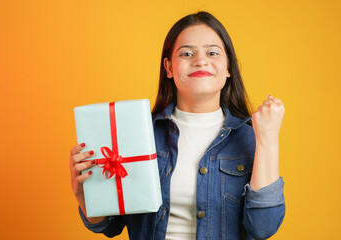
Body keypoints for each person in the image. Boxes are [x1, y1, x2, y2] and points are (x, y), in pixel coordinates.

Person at [69, 11, 286, 239]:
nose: (200, 60)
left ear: (229, 67)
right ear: (169, 68)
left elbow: (263, 228)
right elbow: (110, 226)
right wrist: (85, 195)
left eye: (212, 52)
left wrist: (268, 139)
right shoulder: (138, 135)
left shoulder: (251, 138)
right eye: (187, 53)